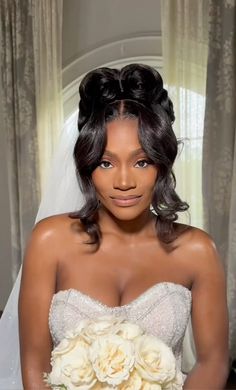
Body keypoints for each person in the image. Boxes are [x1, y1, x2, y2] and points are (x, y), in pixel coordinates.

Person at [1, 64, 229, 389]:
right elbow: (35, 365)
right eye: (106, 163)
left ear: (162, 164)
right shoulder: (49, 242)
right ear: (87, 164)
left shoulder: (197, 251)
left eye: (141, 161)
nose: (124, 181)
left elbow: (214, 361)